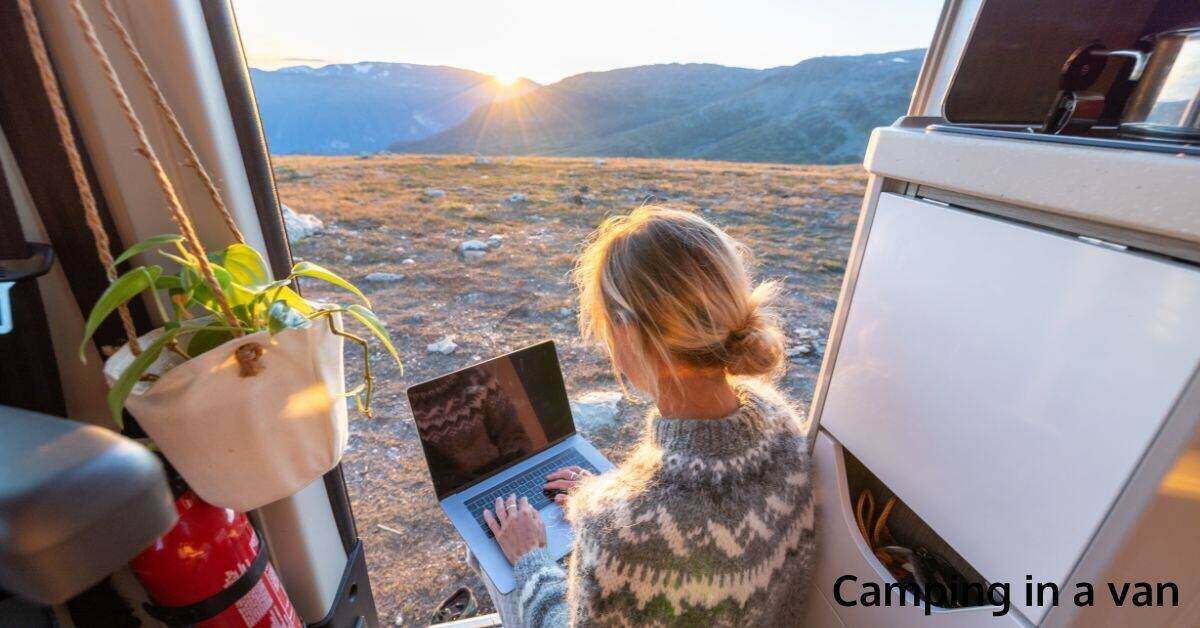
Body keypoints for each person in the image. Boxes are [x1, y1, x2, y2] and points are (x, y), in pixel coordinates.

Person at [480, 206, 815, 626]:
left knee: (488, 550)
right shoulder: (779, 421)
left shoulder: (620, 532)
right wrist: (610, 495)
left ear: (627, 330)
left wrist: (530, 560)